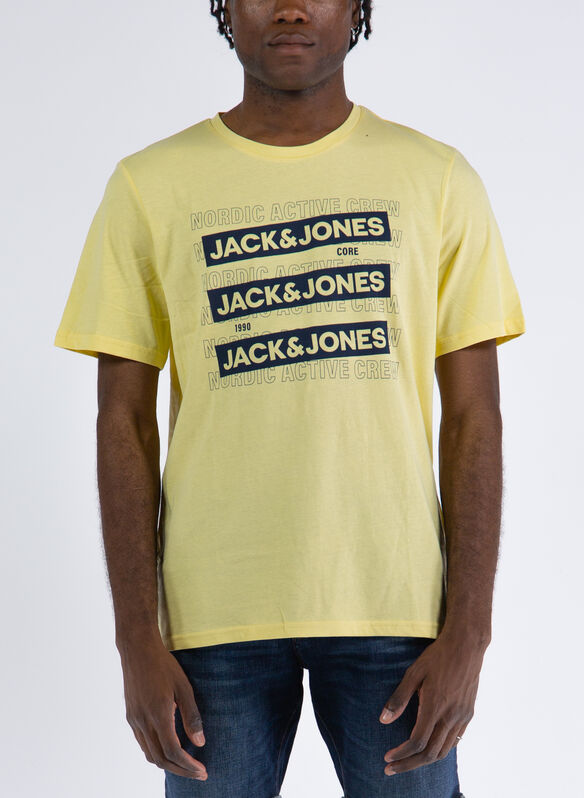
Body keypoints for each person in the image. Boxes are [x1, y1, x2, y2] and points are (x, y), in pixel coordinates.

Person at [54, 1, 525, 796]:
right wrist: (136, 636)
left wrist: (470, 630)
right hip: (212, 619)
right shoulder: (149, 185)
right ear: (225, 8)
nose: (292, 8)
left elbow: (475, 419)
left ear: (358, 9)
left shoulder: (437, 178)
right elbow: (123, 422)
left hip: (394, 610)